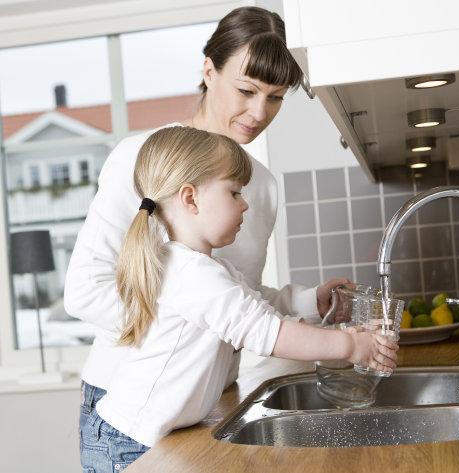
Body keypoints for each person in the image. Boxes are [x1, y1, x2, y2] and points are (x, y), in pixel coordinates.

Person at [65, 4, 350, 466]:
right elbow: (84, 291)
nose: (258, 112)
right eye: (246, 89)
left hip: (210, 397)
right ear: (208, 70)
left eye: (275, 97)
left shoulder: (263, 184)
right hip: (131, 403)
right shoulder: (142, 156)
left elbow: (236, 294)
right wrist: (182, 329)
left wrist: (305, 302)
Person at [79, 126, 398, 471]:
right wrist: (350, 347)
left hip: (142, 436)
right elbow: (267, 333)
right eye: (234, 193)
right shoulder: (193, 274)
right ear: (190, 199)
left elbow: (258, 310)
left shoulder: (208, 268)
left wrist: (330, 322)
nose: (245, 203)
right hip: (128, 445)